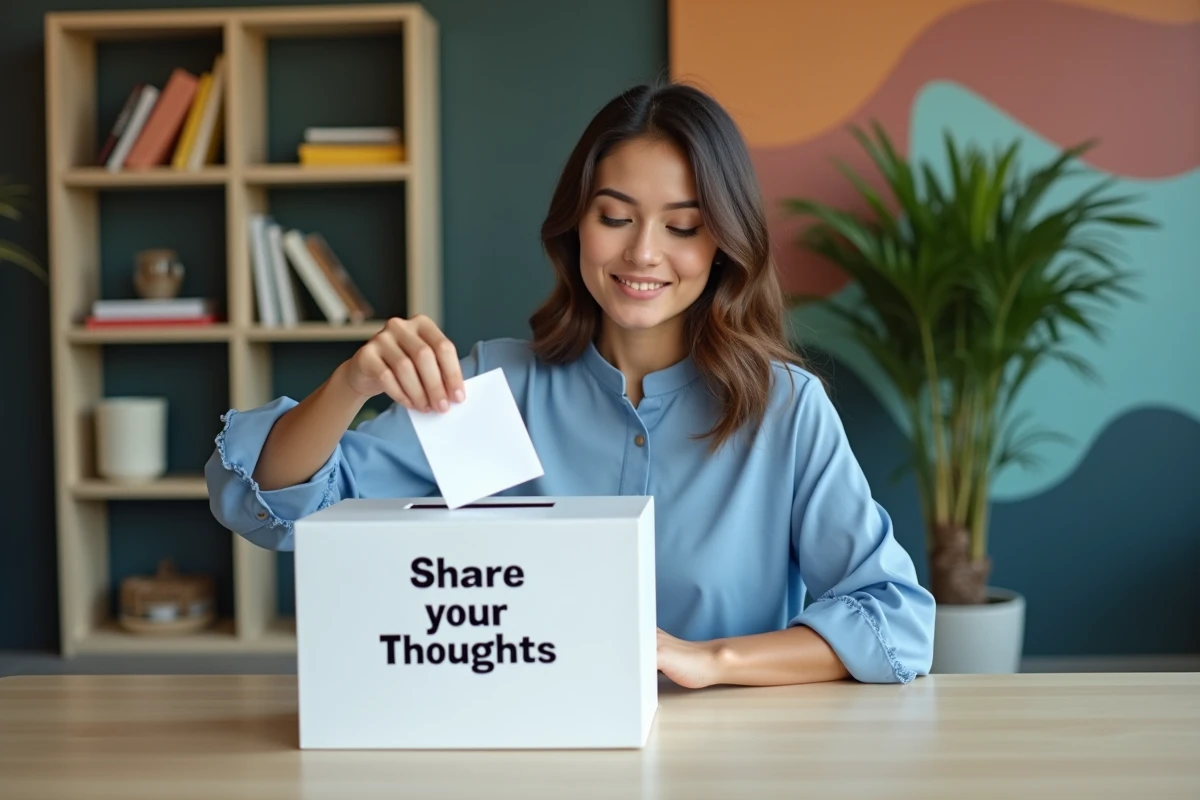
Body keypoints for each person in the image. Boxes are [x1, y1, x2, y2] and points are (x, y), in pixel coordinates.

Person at [205, 80, 935, 689]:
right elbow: (275, 508)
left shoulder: (785, 411)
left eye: (682, 227)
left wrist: (709, 661)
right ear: (576, 225)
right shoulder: (492, 389)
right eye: (615, 217)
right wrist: (349, 385)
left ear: (722, 244)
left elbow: (895, 620)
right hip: (525, 749)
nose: (643, 252)